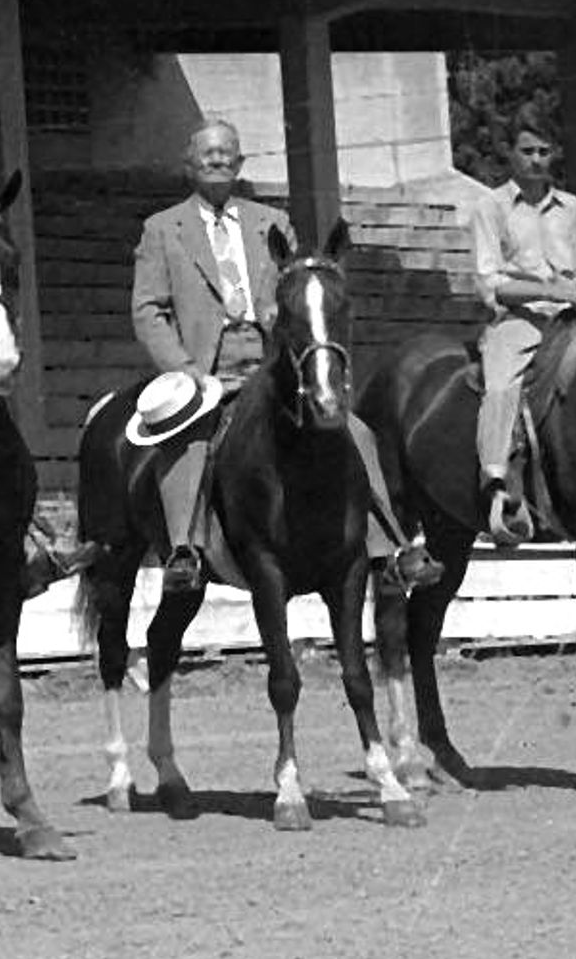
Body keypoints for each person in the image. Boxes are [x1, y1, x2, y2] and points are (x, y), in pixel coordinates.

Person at [128, 119, 435, 600]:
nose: (218, 159)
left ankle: (392, 547)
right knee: (190, 444)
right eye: (208, 153)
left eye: (228, 152)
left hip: (273, 362)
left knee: (354, 430)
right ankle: (184, 551)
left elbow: (292, 291)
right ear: (189, 164)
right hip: (204, 368)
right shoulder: (162, 229)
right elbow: (148, 310)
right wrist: (184, 369)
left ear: (242, 163)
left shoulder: (272, 222)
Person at [470, 115, 576, 545]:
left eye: (544, 152)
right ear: (511, 154)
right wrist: (550, 288)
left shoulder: (573, 208)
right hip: (519, 321)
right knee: (501, 384)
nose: (536, 160)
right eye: (527, 151)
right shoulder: (491, 207)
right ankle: (497, 483)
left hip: (573, 319)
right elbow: (490, 282)